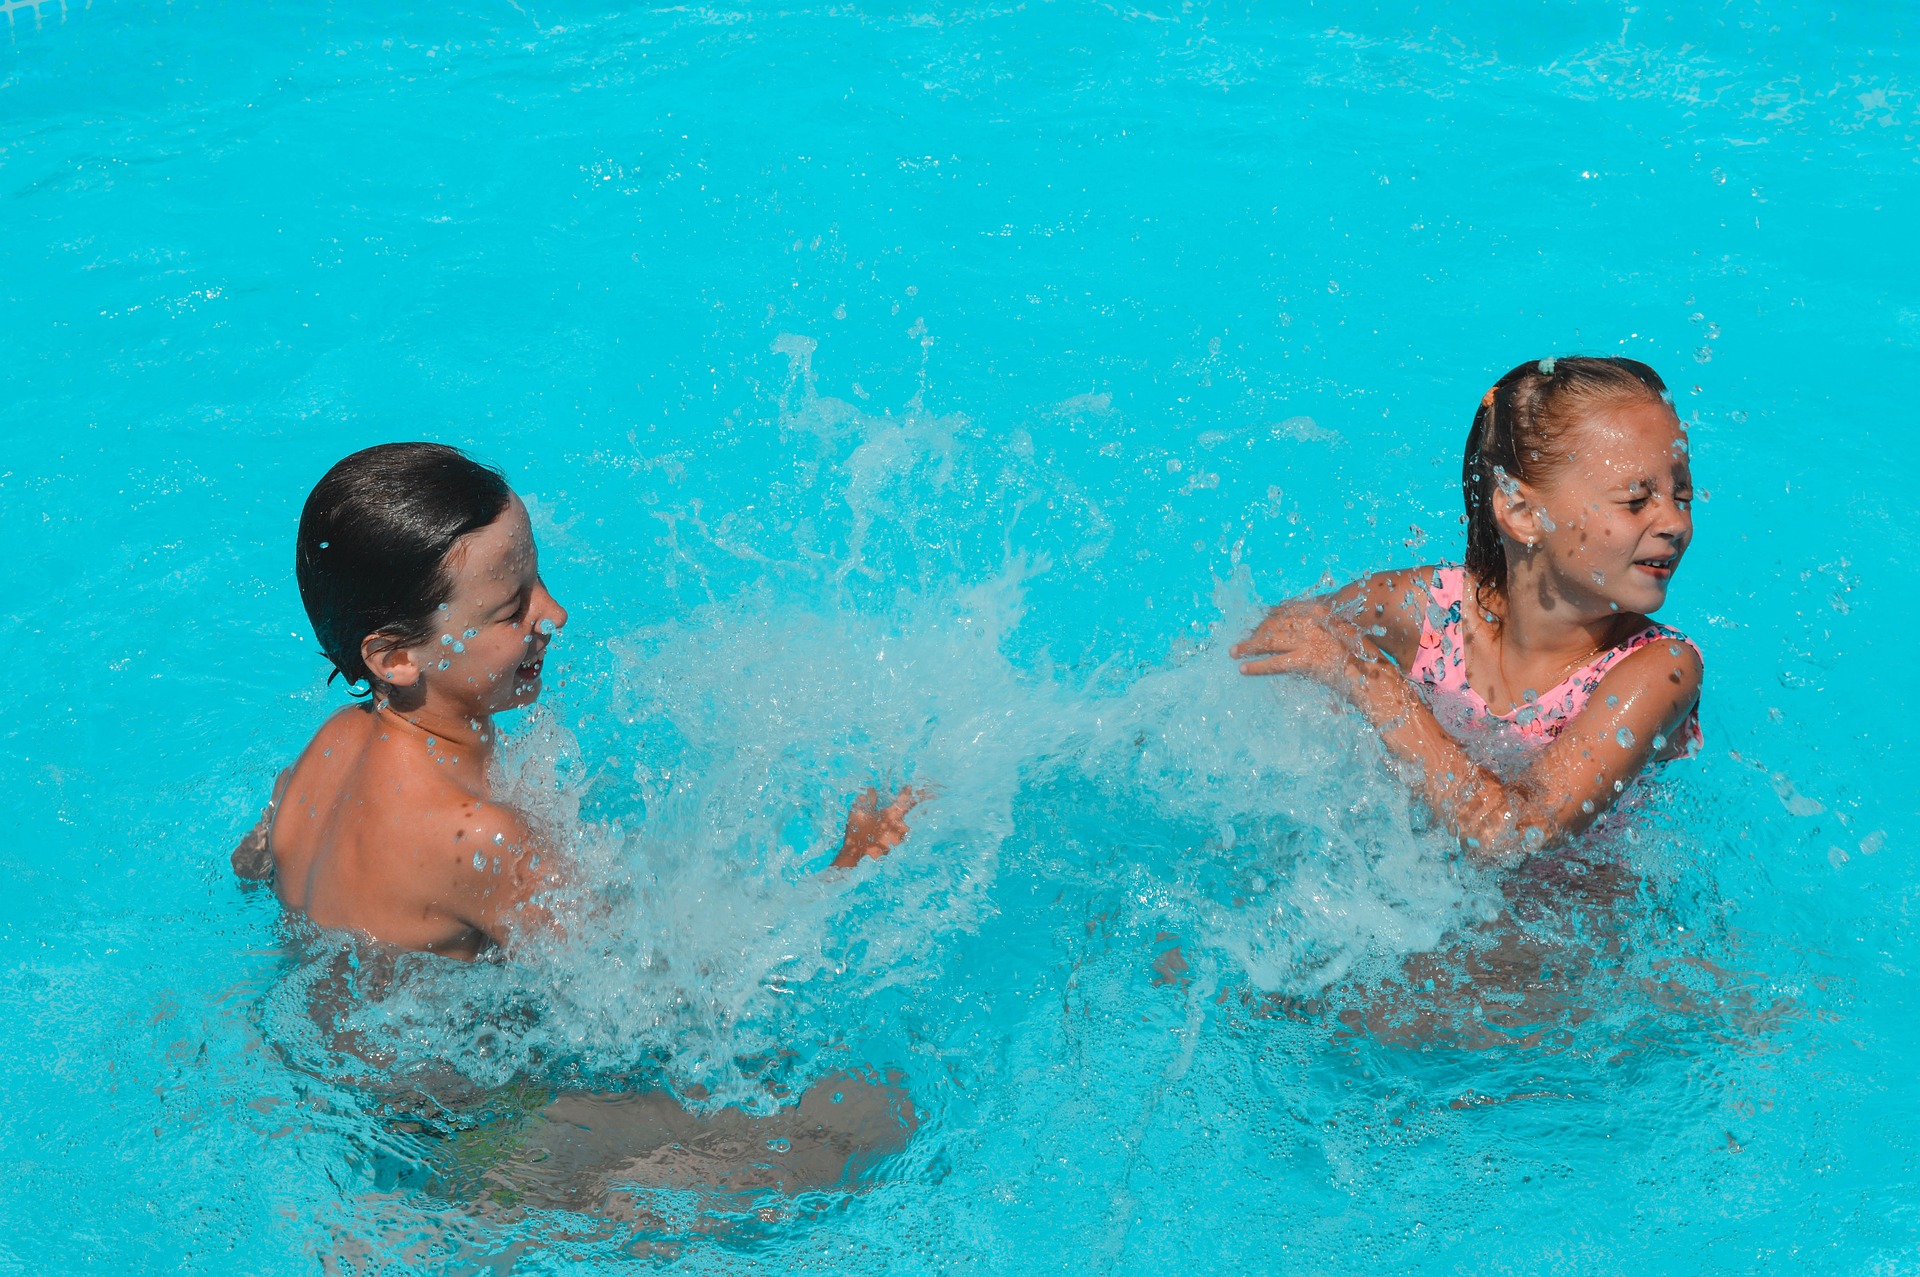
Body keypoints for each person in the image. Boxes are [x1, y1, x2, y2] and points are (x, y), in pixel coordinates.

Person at [232, 442, 917, 957]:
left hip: (340, 1070)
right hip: (461, 1135)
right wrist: (843, 877)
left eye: (538, 579)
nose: (554, 613)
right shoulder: (481, 839)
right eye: (511, 609)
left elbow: (253, 861)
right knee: (867, 1118)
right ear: (395, 656)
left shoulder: (331, 746)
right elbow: (653, 993)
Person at [1231, 356, 1702, 862]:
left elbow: (1512, 837)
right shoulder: (1432, 612)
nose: (1674, 522)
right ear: (1522, 513)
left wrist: (1370, 682)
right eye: (1636, 500)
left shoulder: (1658, 669)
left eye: (1683, 495)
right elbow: (1276, 641)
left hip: (1572, 933)